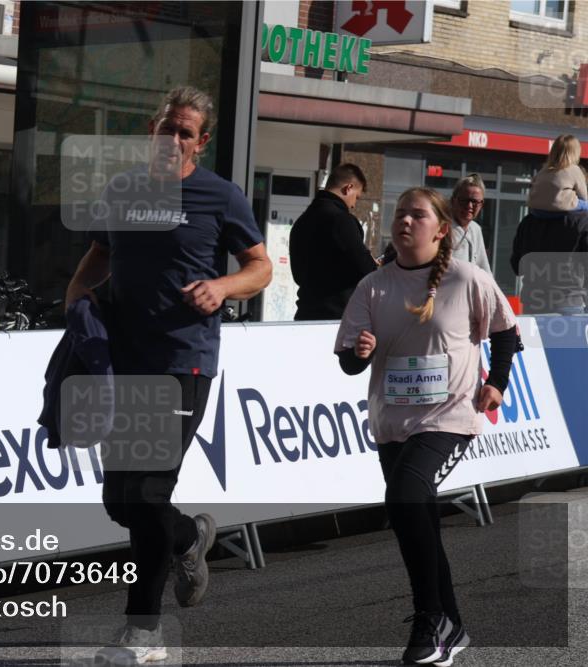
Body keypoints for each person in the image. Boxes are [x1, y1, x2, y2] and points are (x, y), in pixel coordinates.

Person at [66, 86, 272, 663]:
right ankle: (191, 536)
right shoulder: (124, 190)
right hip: (123, 362)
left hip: (183, 360)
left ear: (200, 143)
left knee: (150, 491)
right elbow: (99, 254)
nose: (173, 139)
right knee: (120, 500)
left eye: (186, 132)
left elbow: (260, 267)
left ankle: (144, 632)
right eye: (167, 128)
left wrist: (223, 287)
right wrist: (77, 298)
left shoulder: (219, 196)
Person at [335, 187, 518, 666]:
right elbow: (347, 363)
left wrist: (496, 382)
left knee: (405, 496)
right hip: (392, 418)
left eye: (417, 215)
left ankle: (429, 616)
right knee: (417, 516)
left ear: (440, 229)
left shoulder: (466, 278)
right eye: (399, 214)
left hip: (449, 415)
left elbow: (506, 330)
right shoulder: (372, 286)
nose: (405, 222)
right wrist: (361, 352)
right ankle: (452, 624)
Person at [289, 163, 376, 320]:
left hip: (305, 315)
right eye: (356, 197)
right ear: (348, 188)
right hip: (336, 317)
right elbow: (366, 268)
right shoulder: (341, 220)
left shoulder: (302, 221)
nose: (354, 205)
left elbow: (298, 276)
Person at [527, 134, 588, 218]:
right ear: (575, 152)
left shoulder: (543, 170)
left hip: (537, 210)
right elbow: (584, 196)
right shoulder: (574, 169)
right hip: (559, 209)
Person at [447, 174, 492, 272]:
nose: (469, 206)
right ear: (453, 200)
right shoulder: (441, 228)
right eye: (464, 200)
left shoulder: (476, 229)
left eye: (475, 201)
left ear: (481, 204)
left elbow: (484, 268)